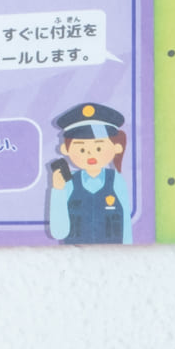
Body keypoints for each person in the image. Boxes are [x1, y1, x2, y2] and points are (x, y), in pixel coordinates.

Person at [48, 103, 132, 244]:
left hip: (111, 254)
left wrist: (128, 252)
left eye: (99, 148)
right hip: (76, 254)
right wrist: (58, 190)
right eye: (82, 150)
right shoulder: (68, 183)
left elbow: (126, 225)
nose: (90, 155)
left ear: (116, 147)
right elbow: (59, 232)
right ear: (65, 149)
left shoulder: (116, 180)